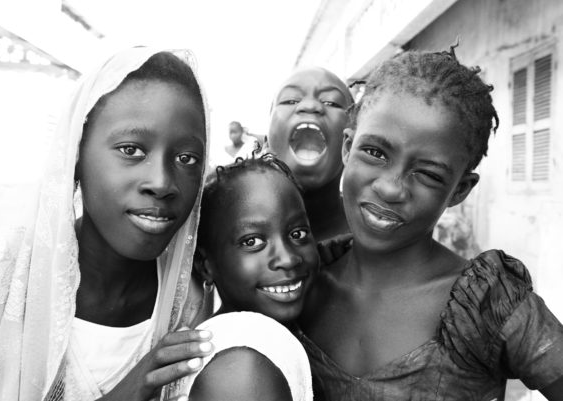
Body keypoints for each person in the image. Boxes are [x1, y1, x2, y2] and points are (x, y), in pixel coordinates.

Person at [298, 47, 563, 400]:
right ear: (347, 147)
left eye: (427, 174)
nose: (391, 188)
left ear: (460, 190)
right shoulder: (299, 284)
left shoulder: (487, 305)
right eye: (375, 153)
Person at [0, 48, 215, 401]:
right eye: (131, 150)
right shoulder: (6, 280)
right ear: (76, 153)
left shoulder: (190, 305)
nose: (161, 182)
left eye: (186, 158)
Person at [163, 155, 317, 401]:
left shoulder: (271, 338)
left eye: (297, 234)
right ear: (205, 265)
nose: (288, 259)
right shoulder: (241, 365)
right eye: (252, 241)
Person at [267, 67, 353, 241]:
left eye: (332, 102)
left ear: (351, 141)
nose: (310, 106)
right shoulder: (230, 222)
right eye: (290, 100)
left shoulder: (374, 234)